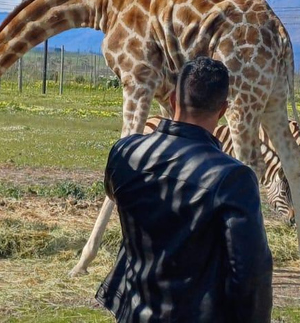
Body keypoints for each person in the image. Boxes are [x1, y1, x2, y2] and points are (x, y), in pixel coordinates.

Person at [95, 56, 273, 322]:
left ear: (173, 101)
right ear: (223, 110)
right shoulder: (233, 178)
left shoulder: (125, 153)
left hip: (132, 312)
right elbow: (250, 273)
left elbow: (116, 195)